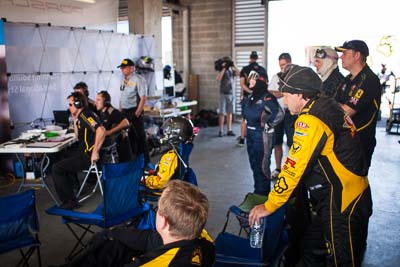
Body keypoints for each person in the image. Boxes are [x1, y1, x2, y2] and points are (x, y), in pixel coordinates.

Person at [249, 64, 372, 266]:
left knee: (342, 260)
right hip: (345, 193)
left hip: (342, 200)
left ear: (300, 95)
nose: (283, 99)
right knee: (311, 248)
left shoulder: (311, 120)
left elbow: (292, 168)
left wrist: (270, 205)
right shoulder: (326, 104)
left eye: (286, 94)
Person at [66, 180, 215, 267]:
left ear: (163, 221)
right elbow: (151, 238)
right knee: (116, 245)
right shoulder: (204, 239)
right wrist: (111, 233)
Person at [52, 92, 105, 210]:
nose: (68, 107)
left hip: (87, 155)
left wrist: (95, 151)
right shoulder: (82, 116)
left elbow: (101, 130)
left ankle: (69, 201)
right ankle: (73, 188)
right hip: (83, 152)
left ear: (78, 104)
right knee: (62, 155)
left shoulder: (86, 115)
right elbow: (77, 136)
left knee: (56, 168)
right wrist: (75, 119)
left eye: (70, 105)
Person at [335, 40, 382, 169]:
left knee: (355, 185)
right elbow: (332, 104)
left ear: (357, 56)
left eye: (345, 53)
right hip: (343, 141)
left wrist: (336, 106)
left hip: (359, 143)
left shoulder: (369, 80)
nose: (341, 57)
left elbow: (345, 112)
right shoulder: (347, 79)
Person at [242, 70, 283, 195]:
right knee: (254, 165)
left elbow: (279, 114)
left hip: (262, 136)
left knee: (262, 167)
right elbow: (245, 116)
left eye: (252, 83)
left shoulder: (267, 97)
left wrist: (267, 126)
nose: (249, 86)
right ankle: (257, 191)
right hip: (250, 135)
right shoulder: (250, 98)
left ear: (259, 82)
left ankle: (263, 194)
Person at [268, 53, 296, 179]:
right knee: (277, 142)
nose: (282, 68)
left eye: (284, 65)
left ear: (290, 62)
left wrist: (280, 93)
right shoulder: (276, 77)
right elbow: (270, 92)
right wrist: (282, 93)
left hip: (292, 113)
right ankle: (278, 168)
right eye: (280, 65)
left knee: (293, 143)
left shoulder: (296, 76)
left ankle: (292, 169)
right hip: (278, 113)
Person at [118, 58, 150, 164]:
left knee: (140, 136)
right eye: (121, 68)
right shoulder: (123, 80)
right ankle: (134, 160)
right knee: (129, 137)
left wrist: (138, 112)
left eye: (124, 68)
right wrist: (120, 108)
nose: (122, 70)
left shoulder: (138, 79)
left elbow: (143, 97)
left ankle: (145, 162)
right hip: (125, 111)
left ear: (132, 68)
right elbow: (122, 95)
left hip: (134, 111)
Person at [238, 51, 267, 146]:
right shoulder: (262, 69)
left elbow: (242, 84)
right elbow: (265, 84)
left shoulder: (245, 69)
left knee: (244, 118)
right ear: (257, 58)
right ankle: (259, 137)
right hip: (260, 97)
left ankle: (242, 139)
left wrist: (250, 92)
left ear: (250, 58)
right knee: (259, 118)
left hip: (248, 97)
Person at [95, 91, 132, 162]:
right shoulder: (103, 112)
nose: (96, 102)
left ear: (106, 102)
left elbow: (126, 122)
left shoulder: (112, 112)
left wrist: (109, 132)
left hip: (120, 147)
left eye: (98, 100)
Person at [216, 57, 240, 137]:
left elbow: (240, 73)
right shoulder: (222, 70)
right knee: (222, 113)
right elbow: (218, 78)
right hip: (223, 93)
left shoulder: (231, 71)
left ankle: (229, 130)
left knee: (230, 113)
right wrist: (224, 68)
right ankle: (221, 130)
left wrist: (234, 65)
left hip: (231, 94)